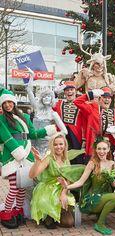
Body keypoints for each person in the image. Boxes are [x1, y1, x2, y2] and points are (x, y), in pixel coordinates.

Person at [0, 89, 57, 229]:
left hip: (26, 154)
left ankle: (18, 212)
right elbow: (5, 136)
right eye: (5, 103)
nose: (8, 105)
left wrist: (47, 130)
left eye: (10, 102)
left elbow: (32, 134)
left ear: (14, 102)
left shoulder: (25, 116)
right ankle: (7, 214)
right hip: (12, 155)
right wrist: (16, 151)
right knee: (13, 188)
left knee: (22, 188)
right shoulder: (1, 118)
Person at [58, 137, 115, 235]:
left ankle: (99, 214)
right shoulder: (92, 164)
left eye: (104, 149)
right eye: (99, 149)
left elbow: (113, 183)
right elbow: (80, 182)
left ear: (109, 149)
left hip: (105, 196)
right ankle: (100, 224)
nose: (101, 151)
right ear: (96, 150)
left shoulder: (112, 164)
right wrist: (67, 187)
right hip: (92, 199)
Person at [29, 133, 83, 229]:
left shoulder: (66, 158)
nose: (58, 147)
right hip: (47, 190)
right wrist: (37, 161)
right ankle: (47, 216)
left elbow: (69, 179)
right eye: (55, 144)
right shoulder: (48, 159)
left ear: (65, 145)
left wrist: (63, 193)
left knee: (68, 223)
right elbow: (32, 175)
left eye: (61, 144)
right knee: (51, 225)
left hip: (61, 188)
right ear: (52, 146)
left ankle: (57, 213)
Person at [25, 67, 67, 156]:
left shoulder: (53, 114)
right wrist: (32, 76)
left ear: (52, 99)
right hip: (32, 144)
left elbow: (64, 131)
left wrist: (52, 138)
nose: (46, 98)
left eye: (49, 96)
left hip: (46, 147)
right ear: (41, 99)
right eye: (44, 96)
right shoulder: (36, 109)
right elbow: (29, 90)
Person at [73, 87, 115, 160]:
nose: (107, 99)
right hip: (93, 147)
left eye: (109, 98)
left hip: (109, 148)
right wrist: (90, 94)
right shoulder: (92, 108)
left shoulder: (114, 112)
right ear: (99, 99)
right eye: (104, 97)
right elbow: (77, 102)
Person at [53, 81, 84, 164]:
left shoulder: (81, 104)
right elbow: (49, 103)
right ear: (64, 92)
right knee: (61, 153)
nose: (69, 92)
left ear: (75, 91)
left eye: (71, 89)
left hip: (76, 134)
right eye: (67, 90)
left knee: (77, 155)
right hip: (62, 133)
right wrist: (55, 93)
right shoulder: (59, 103)